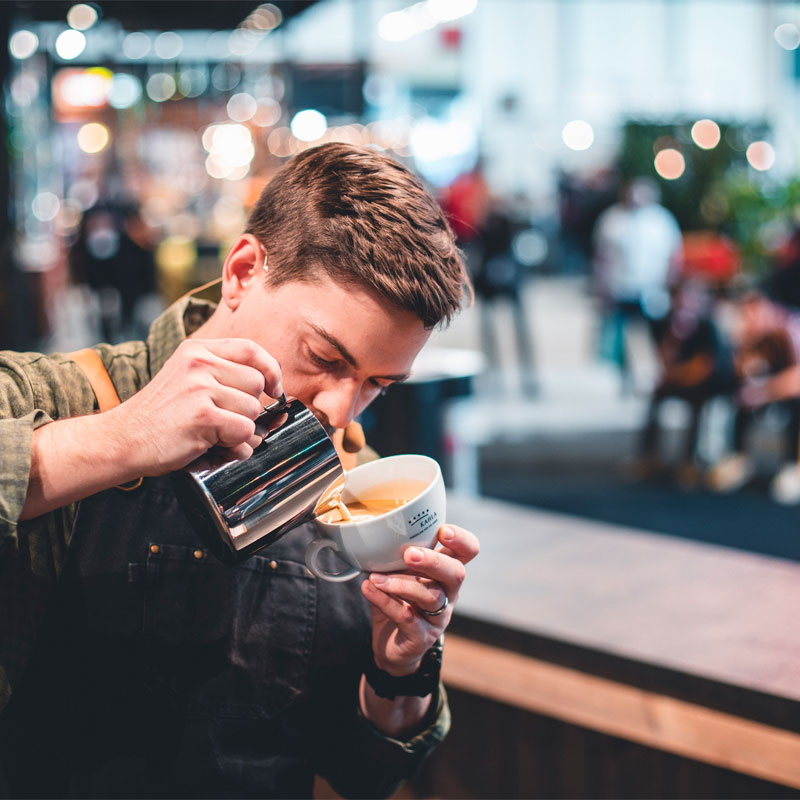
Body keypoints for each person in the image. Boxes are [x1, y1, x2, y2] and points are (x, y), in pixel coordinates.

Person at [0, 143, 480, 797]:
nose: (340, 410)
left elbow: (368, 773)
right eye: (325, 357)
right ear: (244, 271)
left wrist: (400, 668)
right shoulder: (58, 396)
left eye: (377, 384)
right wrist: (122, 437)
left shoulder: (357, 490)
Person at [631, 280, 737, 487]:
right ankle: (649, 455)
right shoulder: (665, 326)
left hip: (705, 384)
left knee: (698, 405)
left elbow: (703, 366)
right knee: (656, 399)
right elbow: (660, 359)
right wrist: (673, 339)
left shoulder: (706, 327)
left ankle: (690, 459)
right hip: (679, 380)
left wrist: (673, 377)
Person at [707, 289, 800, 503]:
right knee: (742, 400)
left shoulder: (792, 328)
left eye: (752, 314)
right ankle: (739, 460)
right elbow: (743, 372)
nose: (749, 319)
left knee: (796, 407)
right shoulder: (755, 335)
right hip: (775, 389)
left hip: (790, 390)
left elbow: (797, 380)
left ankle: (792, 468)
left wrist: (763, 392)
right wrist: (742, 343)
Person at [592, 177, 683, 392]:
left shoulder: (661, 220)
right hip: (621, 287)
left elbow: (674, 255)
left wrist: (669, 284)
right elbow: (602, 256)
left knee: (656, 335)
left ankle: (660, 375)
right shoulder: (613, 219)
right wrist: (602, 286)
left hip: (652, 289)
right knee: (620, 337)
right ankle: (625, 378)